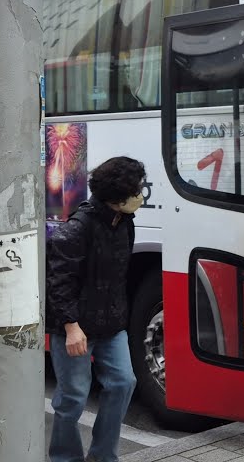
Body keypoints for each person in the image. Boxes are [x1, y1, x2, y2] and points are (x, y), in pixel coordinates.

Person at [46, 157, 145, 462]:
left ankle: (103, 456)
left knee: (123, 382)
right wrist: (71, 326)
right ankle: (65, 458)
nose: (141, 194)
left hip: (111, 324)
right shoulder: (78, 228)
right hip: (74, 327)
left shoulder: (124, 223)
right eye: (136, 189)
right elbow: (59, 281)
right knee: (73, 398)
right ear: (118, 196)